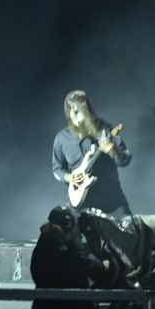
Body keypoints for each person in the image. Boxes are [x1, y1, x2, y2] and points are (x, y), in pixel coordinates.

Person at [51, 90, 132, 218]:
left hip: (110, 199)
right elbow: (57, 169)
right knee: (67, 233)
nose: (81, 118)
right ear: (68, 113)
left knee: (129, 232)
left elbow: (126, 159)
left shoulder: (104, 130)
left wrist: (113, 150)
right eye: (76, 112)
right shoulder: (61, 138)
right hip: (78, 201)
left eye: (84, 112)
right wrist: (70, 177)